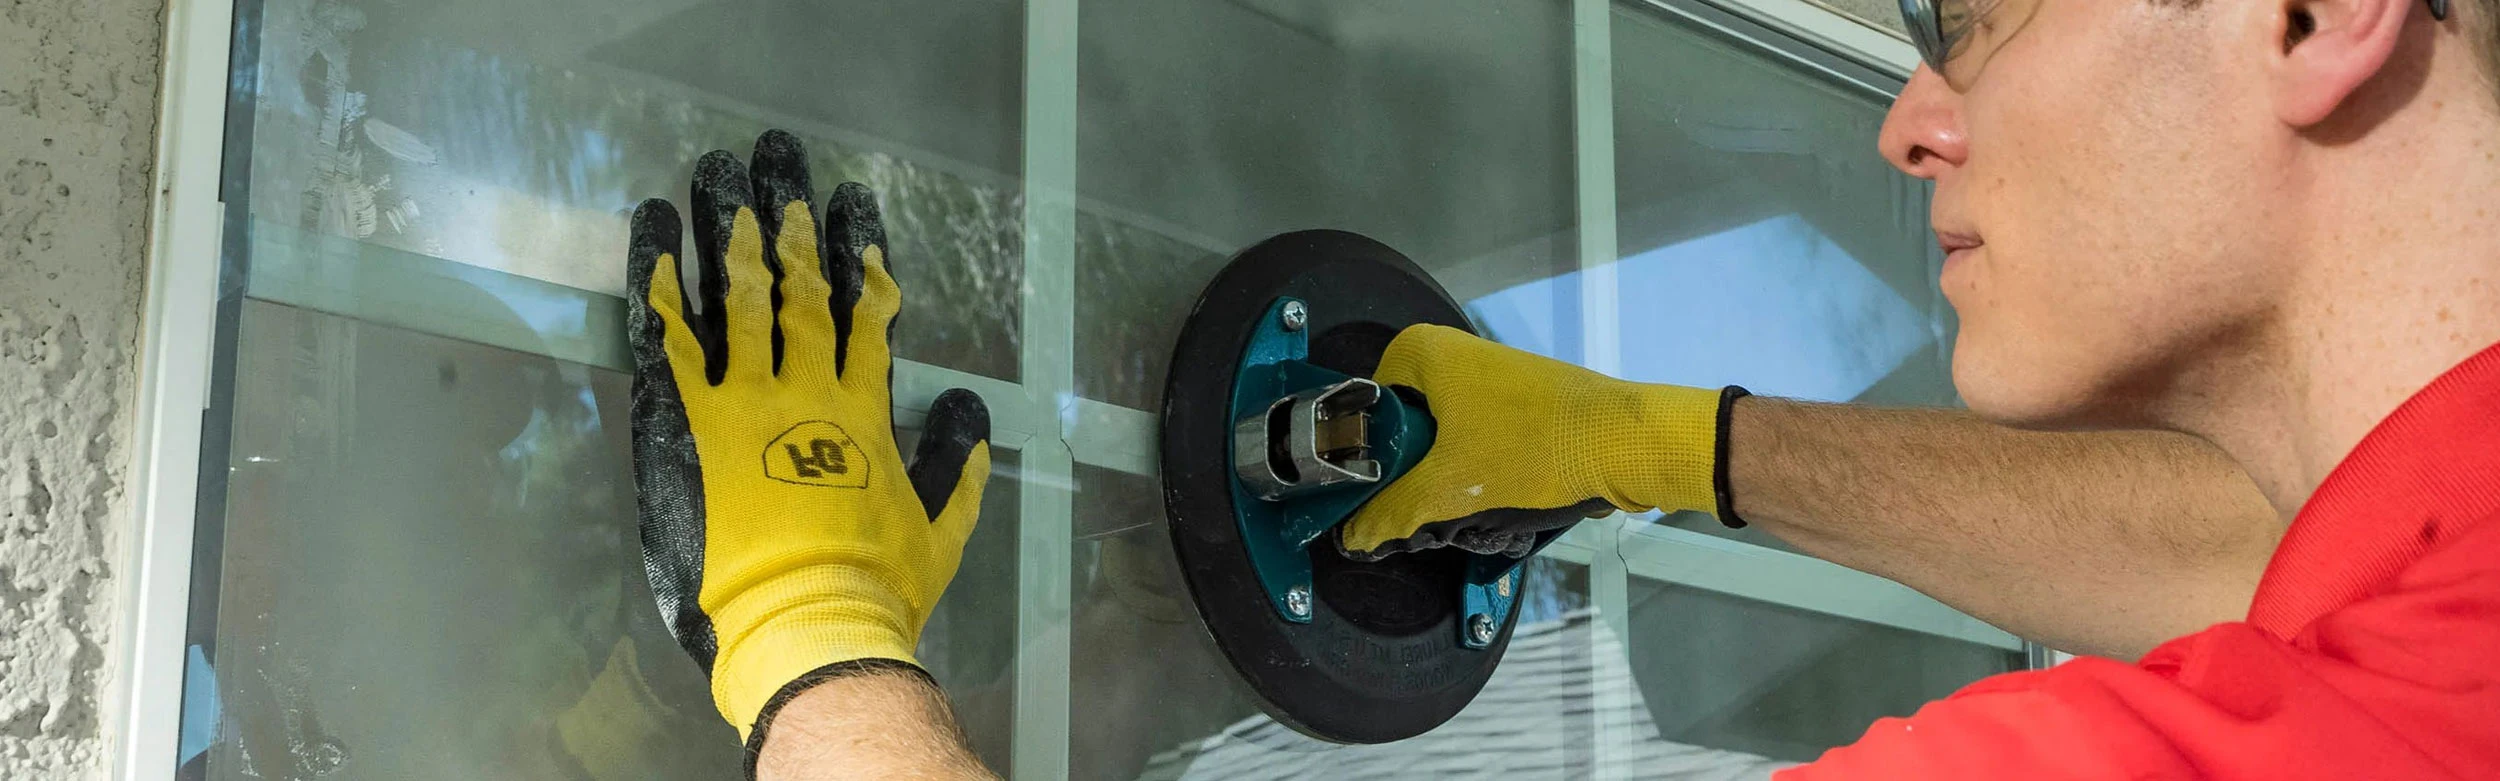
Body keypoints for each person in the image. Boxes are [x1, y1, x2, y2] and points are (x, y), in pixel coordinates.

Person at [618, 0, 2500, 767]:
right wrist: (1645, 444)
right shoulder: (2428, 635)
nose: (1911, 121)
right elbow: (2265, 556)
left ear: (2312, 14)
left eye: (1979, 17)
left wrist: (814, 635)